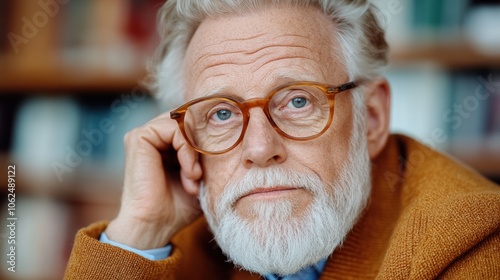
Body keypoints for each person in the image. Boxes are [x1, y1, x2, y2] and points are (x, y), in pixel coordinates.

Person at [65, 0, 500, 279]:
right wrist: (141, 231)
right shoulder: (187, 241)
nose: (258, 149)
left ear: (371, 118)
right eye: (221, 113)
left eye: (296, 102)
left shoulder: (470, 243)